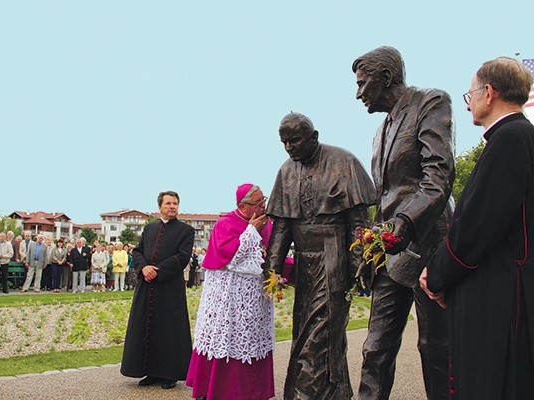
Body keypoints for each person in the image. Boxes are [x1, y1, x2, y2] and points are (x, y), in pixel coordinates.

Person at [421, 57, 534, 399]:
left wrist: (436, 274)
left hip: (501, 294)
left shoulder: (511, 139)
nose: (469, 102)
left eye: (471, 93)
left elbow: (477, 225)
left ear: (488, 92)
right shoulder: (517, 136)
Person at [352, 46, 455, 400]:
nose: (357, 93)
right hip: (392, 253)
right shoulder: (380, 132)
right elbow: (385, 198)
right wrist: (372, 249)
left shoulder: (431, 102)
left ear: (386, 78)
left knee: (435, 347)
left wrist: (406, 222)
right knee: (375, 348)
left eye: (362, 84)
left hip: (429, 243)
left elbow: (438, 176)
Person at [265, 112, 375, 399]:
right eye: (284, 142)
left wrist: (358, 265)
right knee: (306, 330)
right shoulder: (286, 171)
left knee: (322, 331)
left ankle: (309, 394)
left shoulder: (343, 162)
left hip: (333, 255)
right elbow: (281, 228)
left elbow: (358, 222)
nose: (289, 147)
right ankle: (334, 391)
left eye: (295, 140)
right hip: (305, 260)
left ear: (313, 136)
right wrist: (273, 269)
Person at [186, 183, 275, 400]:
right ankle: (215, 389)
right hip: (226, 298)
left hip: (254, 299)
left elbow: (270, 256)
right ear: (243, 206)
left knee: (251, 340)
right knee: (224, 337)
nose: (264, 206)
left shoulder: (268, 224)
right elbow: (230, 256)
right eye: (258, 202)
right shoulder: (225, 224)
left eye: (264, 200)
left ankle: (254, 391)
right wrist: (251, 231)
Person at [121, 191, 195, 390]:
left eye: (175, 203)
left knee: (169, 330)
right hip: (147, 285)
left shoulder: (186, 231)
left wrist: (158, 271)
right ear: (160, 206)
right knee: (147, 326)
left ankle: (170, 373)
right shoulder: (149, 229)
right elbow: (137, 251)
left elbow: (182, 257)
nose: (172, 206)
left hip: (169, 287)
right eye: (169, 203)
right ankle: (151, 372)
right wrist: (144, 267)